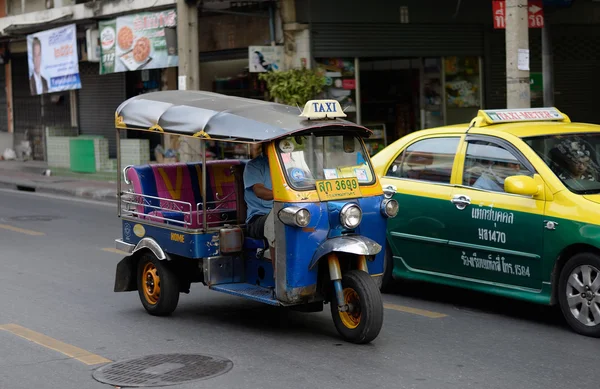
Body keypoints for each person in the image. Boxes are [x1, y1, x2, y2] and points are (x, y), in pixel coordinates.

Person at [243, 142, 275, 262]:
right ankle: (278, 274)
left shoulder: (290, 164)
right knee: (277, 221)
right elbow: (259, 191)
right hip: (257, 219)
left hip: (286, 212)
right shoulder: (254, 165)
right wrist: (284, 194)